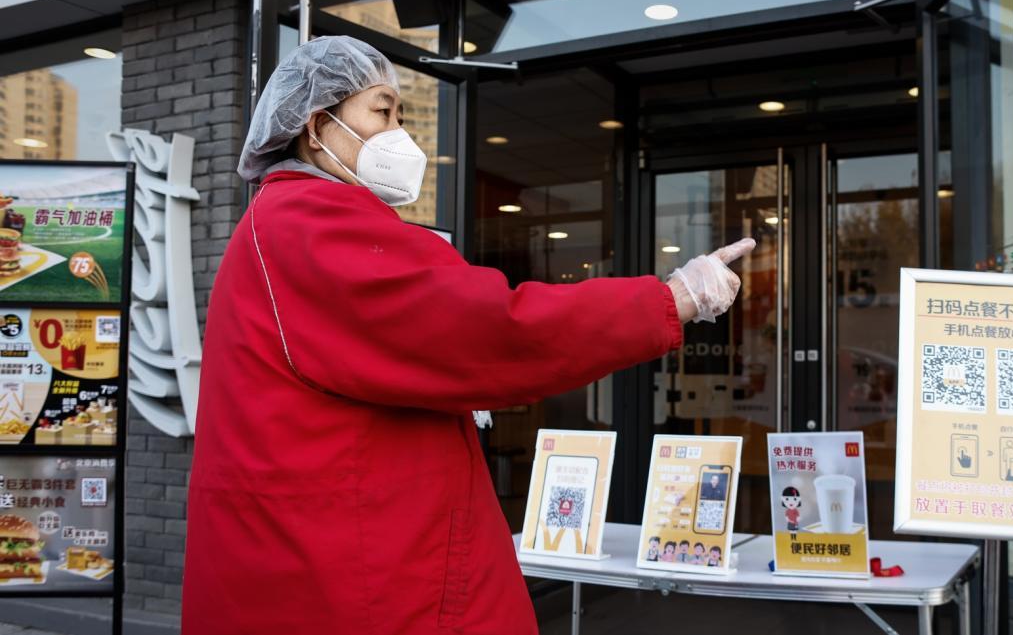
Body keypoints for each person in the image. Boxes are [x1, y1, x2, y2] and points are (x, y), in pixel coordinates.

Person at [181, 36, 755, 635]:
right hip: (357, 574)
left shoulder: (287, 222)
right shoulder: (309, 224)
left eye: (402, 114)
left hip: (333, 559)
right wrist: (671, 300)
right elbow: (492, 328)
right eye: (382, 111)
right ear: (317, 124)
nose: (400, 133)